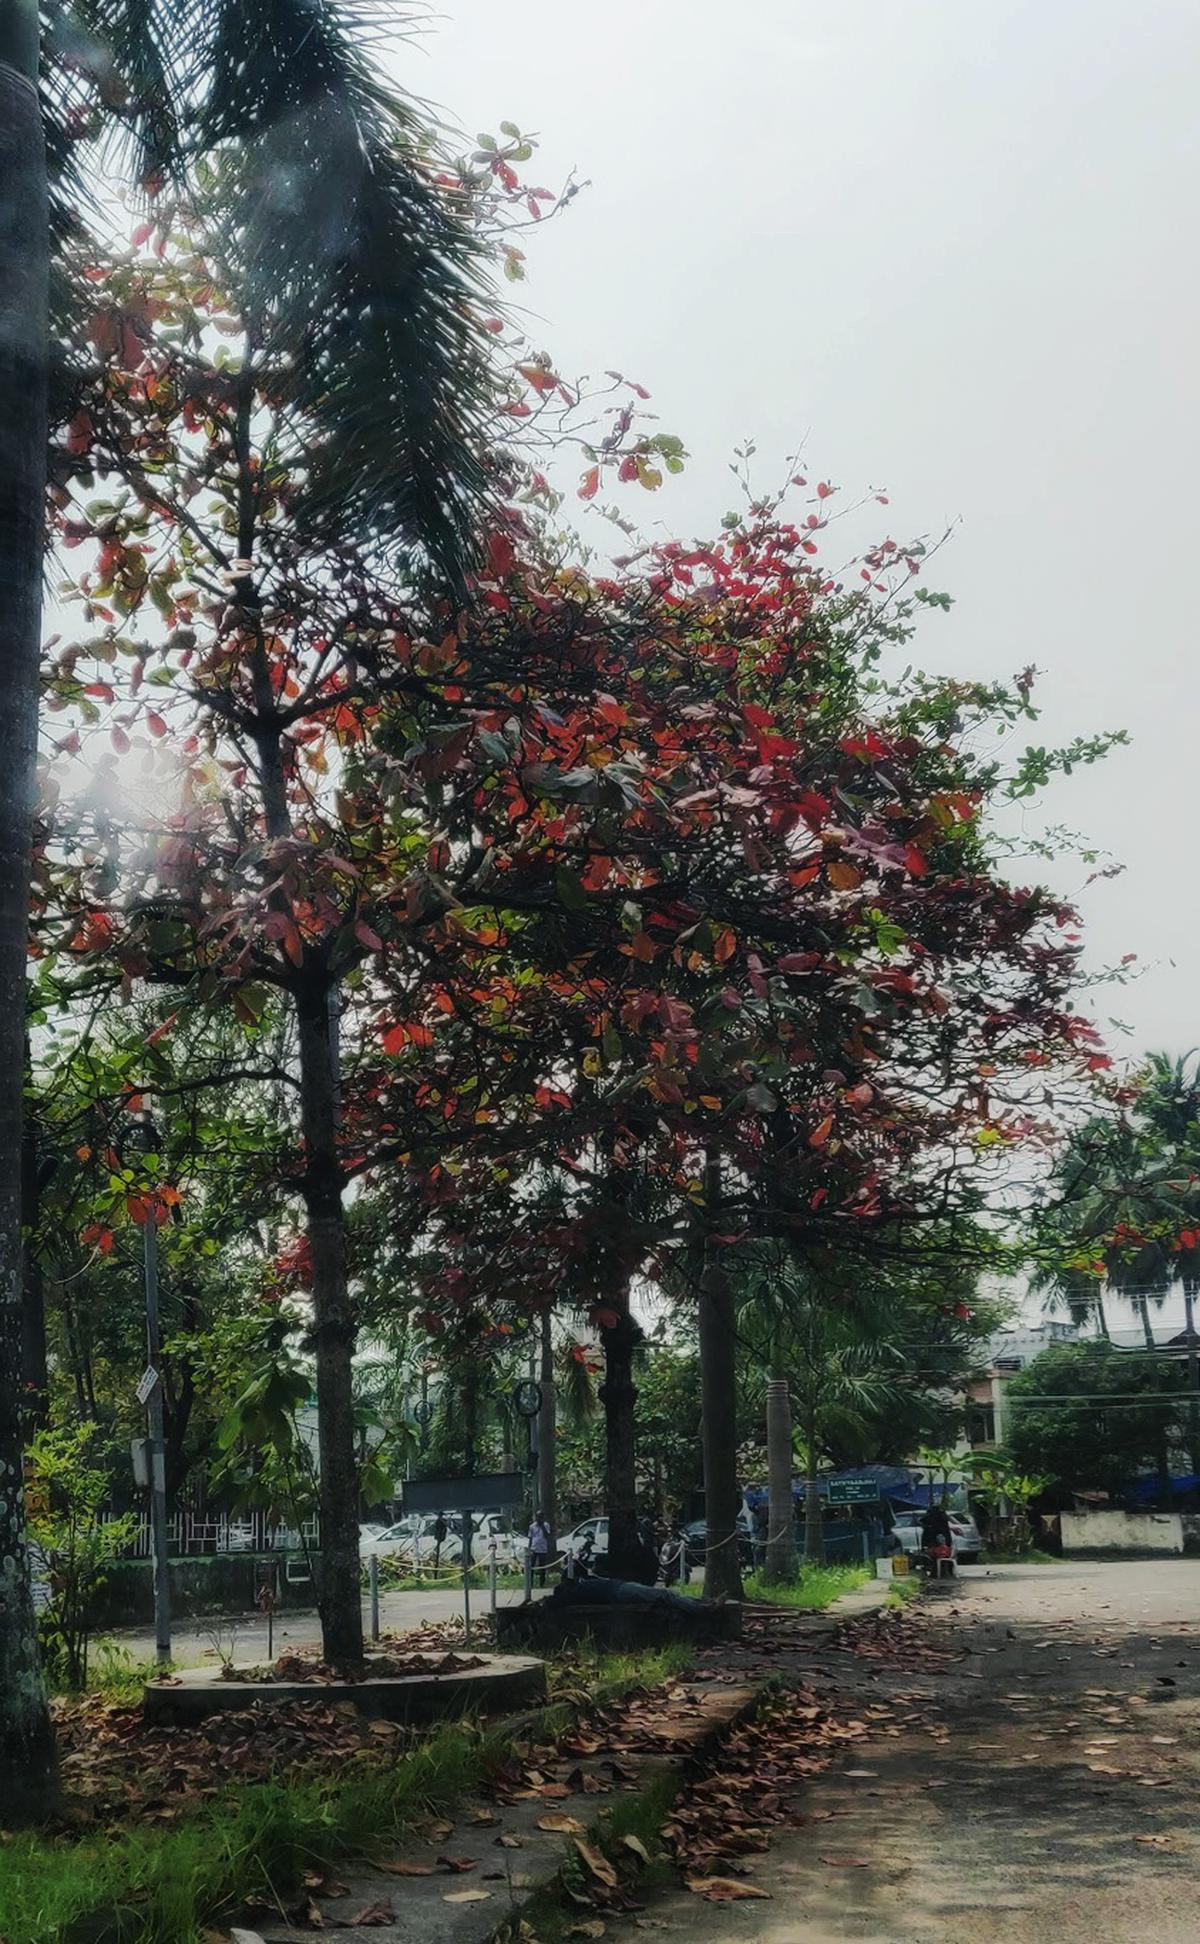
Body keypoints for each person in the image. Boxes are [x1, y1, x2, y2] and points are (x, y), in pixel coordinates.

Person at [528, 1510, 551, 1587]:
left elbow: (547, 1535)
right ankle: (530, 1583)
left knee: (542, 1567)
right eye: (538, 1517)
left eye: (541, 1517)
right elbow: (530, 1538)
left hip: (543, 1549)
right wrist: (529, 1548)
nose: (539, 1518)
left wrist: (542, 1527)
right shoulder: (532, 1526)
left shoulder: (546, 1525)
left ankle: (542, 1583)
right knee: (531, 1566)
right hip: (534, 1548)